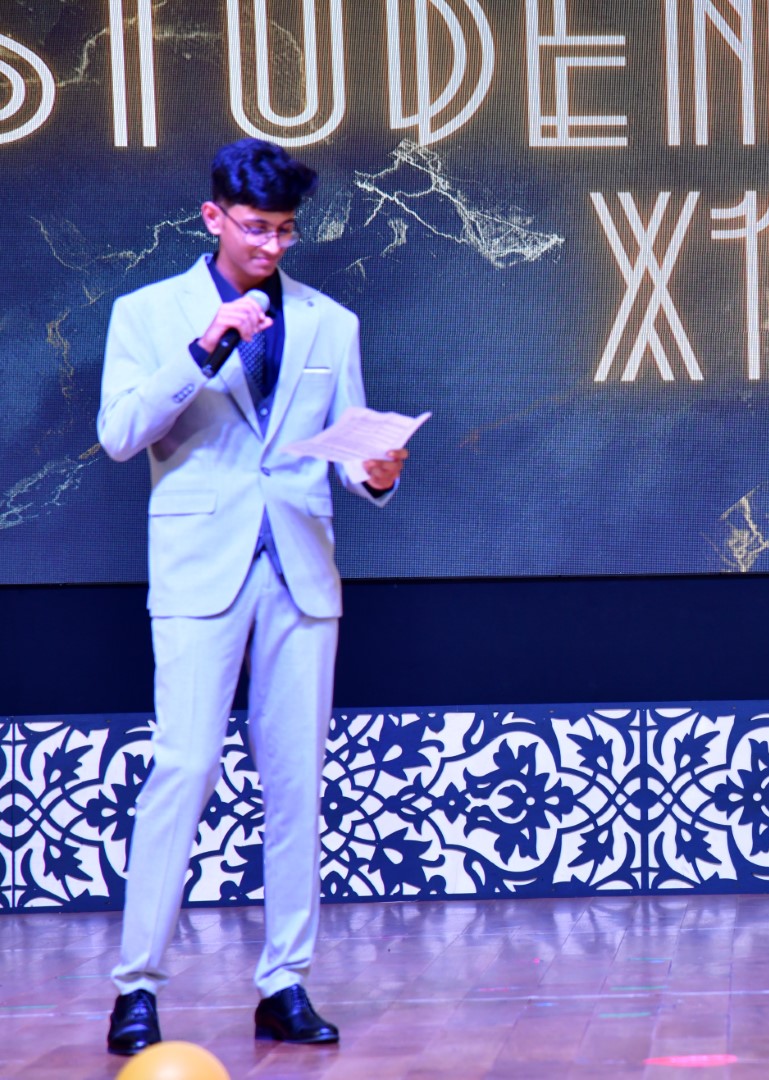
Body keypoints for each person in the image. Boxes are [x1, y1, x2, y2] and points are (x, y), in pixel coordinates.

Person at [97, 138, 407, 1055]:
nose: (271, 246)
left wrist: (377, 471)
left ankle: (285, 982)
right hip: (200, 572)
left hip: (299, 570)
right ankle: (137, 988)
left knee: (296, 783)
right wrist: (204, 348)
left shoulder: (329, 323)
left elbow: (347, 449)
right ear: (214, 218)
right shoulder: (148, 314)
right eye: (256, 228)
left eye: (285, 231)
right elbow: (120, 434)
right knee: (185, 767)